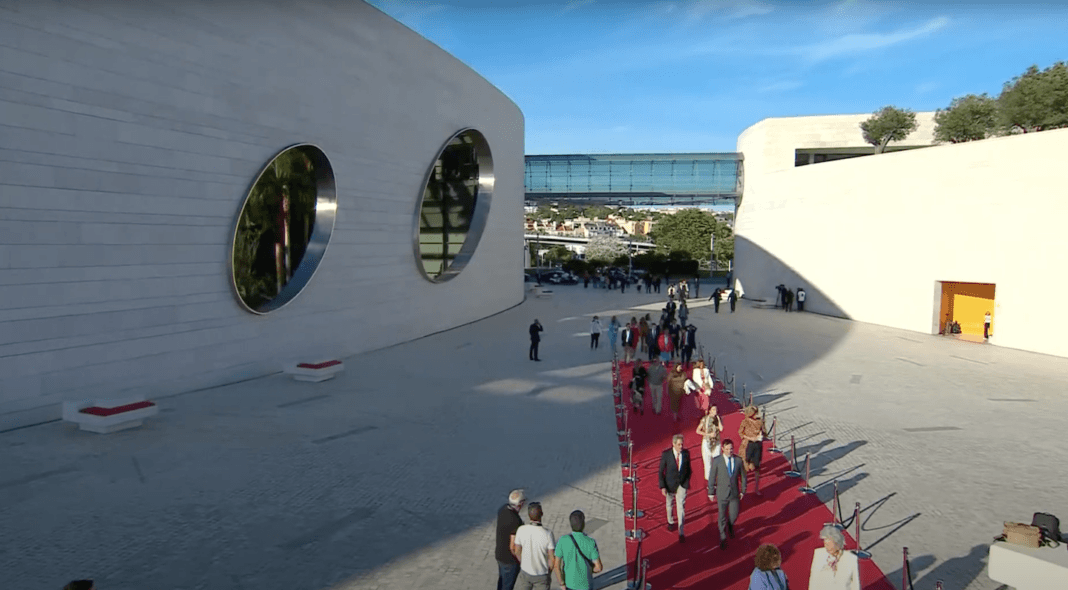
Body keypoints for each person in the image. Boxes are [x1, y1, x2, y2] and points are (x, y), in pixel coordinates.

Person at [707, 438, 746, 550]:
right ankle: (723, 536)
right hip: (722, 493)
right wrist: (711, 491)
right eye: (727, 449)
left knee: (734, 514)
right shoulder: (717, 461)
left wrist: (743, 490)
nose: (730, 451)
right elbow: (712, 476)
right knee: (722, 516)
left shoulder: (738, 460)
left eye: (731, 448)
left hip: (734, 494)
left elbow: (743, 476)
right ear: (723, 449)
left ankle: (730, 524)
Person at [555, 510, 603, 590]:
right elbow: (598, 567)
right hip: (586, 585)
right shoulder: (591, 542)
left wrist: (561, 583)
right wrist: (588, 570)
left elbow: (556, 566)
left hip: (569, 585)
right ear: (583, 524)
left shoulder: (563, 540)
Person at [513, 501, 556, 590]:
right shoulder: (548, 534)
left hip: (525, 572)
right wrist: (548, 572)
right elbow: (552, 558)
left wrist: (523, 562)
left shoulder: (521, 530)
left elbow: (517, 551)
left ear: (529, 515)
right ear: (542, 514)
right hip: (542, 574)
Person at [658, 434, 692, 542]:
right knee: (669, 504)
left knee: (680, 506)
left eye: (682, 444)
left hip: (682, 485)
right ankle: (670, 521)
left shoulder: (686, 453)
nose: (681, 446)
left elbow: (689, 469)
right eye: (678, 444)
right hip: (669, 484)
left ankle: (681, 531)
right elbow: (661, 471)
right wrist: (663, 486)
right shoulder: (666, 454)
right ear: (673, 444)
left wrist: (686, 482)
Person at [808, 525, 860, 590]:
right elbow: (813, 578)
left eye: (830, 546)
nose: (827, 549)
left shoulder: (851, 558)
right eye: (826, 545)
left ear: (838, 544)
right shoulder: (819, 554)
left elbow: (855, 584)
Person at [496, 489, 527, 590]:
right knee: (507, 586)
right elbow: (513, 546)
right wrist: (521, 560)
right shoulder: (514, 520)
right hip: (509, 560)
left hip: (500, 554)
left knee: (501, 582)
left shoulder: (503, 509)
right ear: (520, 504)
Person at [738, 406, 766, 495]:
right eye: (754, 413)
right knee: (745, 468)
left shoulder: (760, 421)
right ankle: (743, 488)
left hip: (757, 446)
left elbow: (765, 432)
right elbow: (740, 432)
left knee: (757, 468)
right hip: (746, 445)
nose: (756, 414)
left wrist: (762, 434)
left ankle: (756, 488)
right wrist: (750, 437)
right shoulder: (745, 421)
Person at [695, 403, 722, 481]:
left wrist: (719, 419)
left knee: (716, 462)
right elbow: (697, 431)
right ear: (709, 410)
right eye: (713, 409)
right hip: (707, 442)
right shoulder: (704, 419)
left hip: (716, 443)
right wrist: (708, 434)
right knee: (707, 463)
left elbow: (721, 429)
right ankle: (709, 481)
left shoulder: (718, 419)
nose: (715, 411)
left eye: (716, 409)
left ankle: (716, 479)